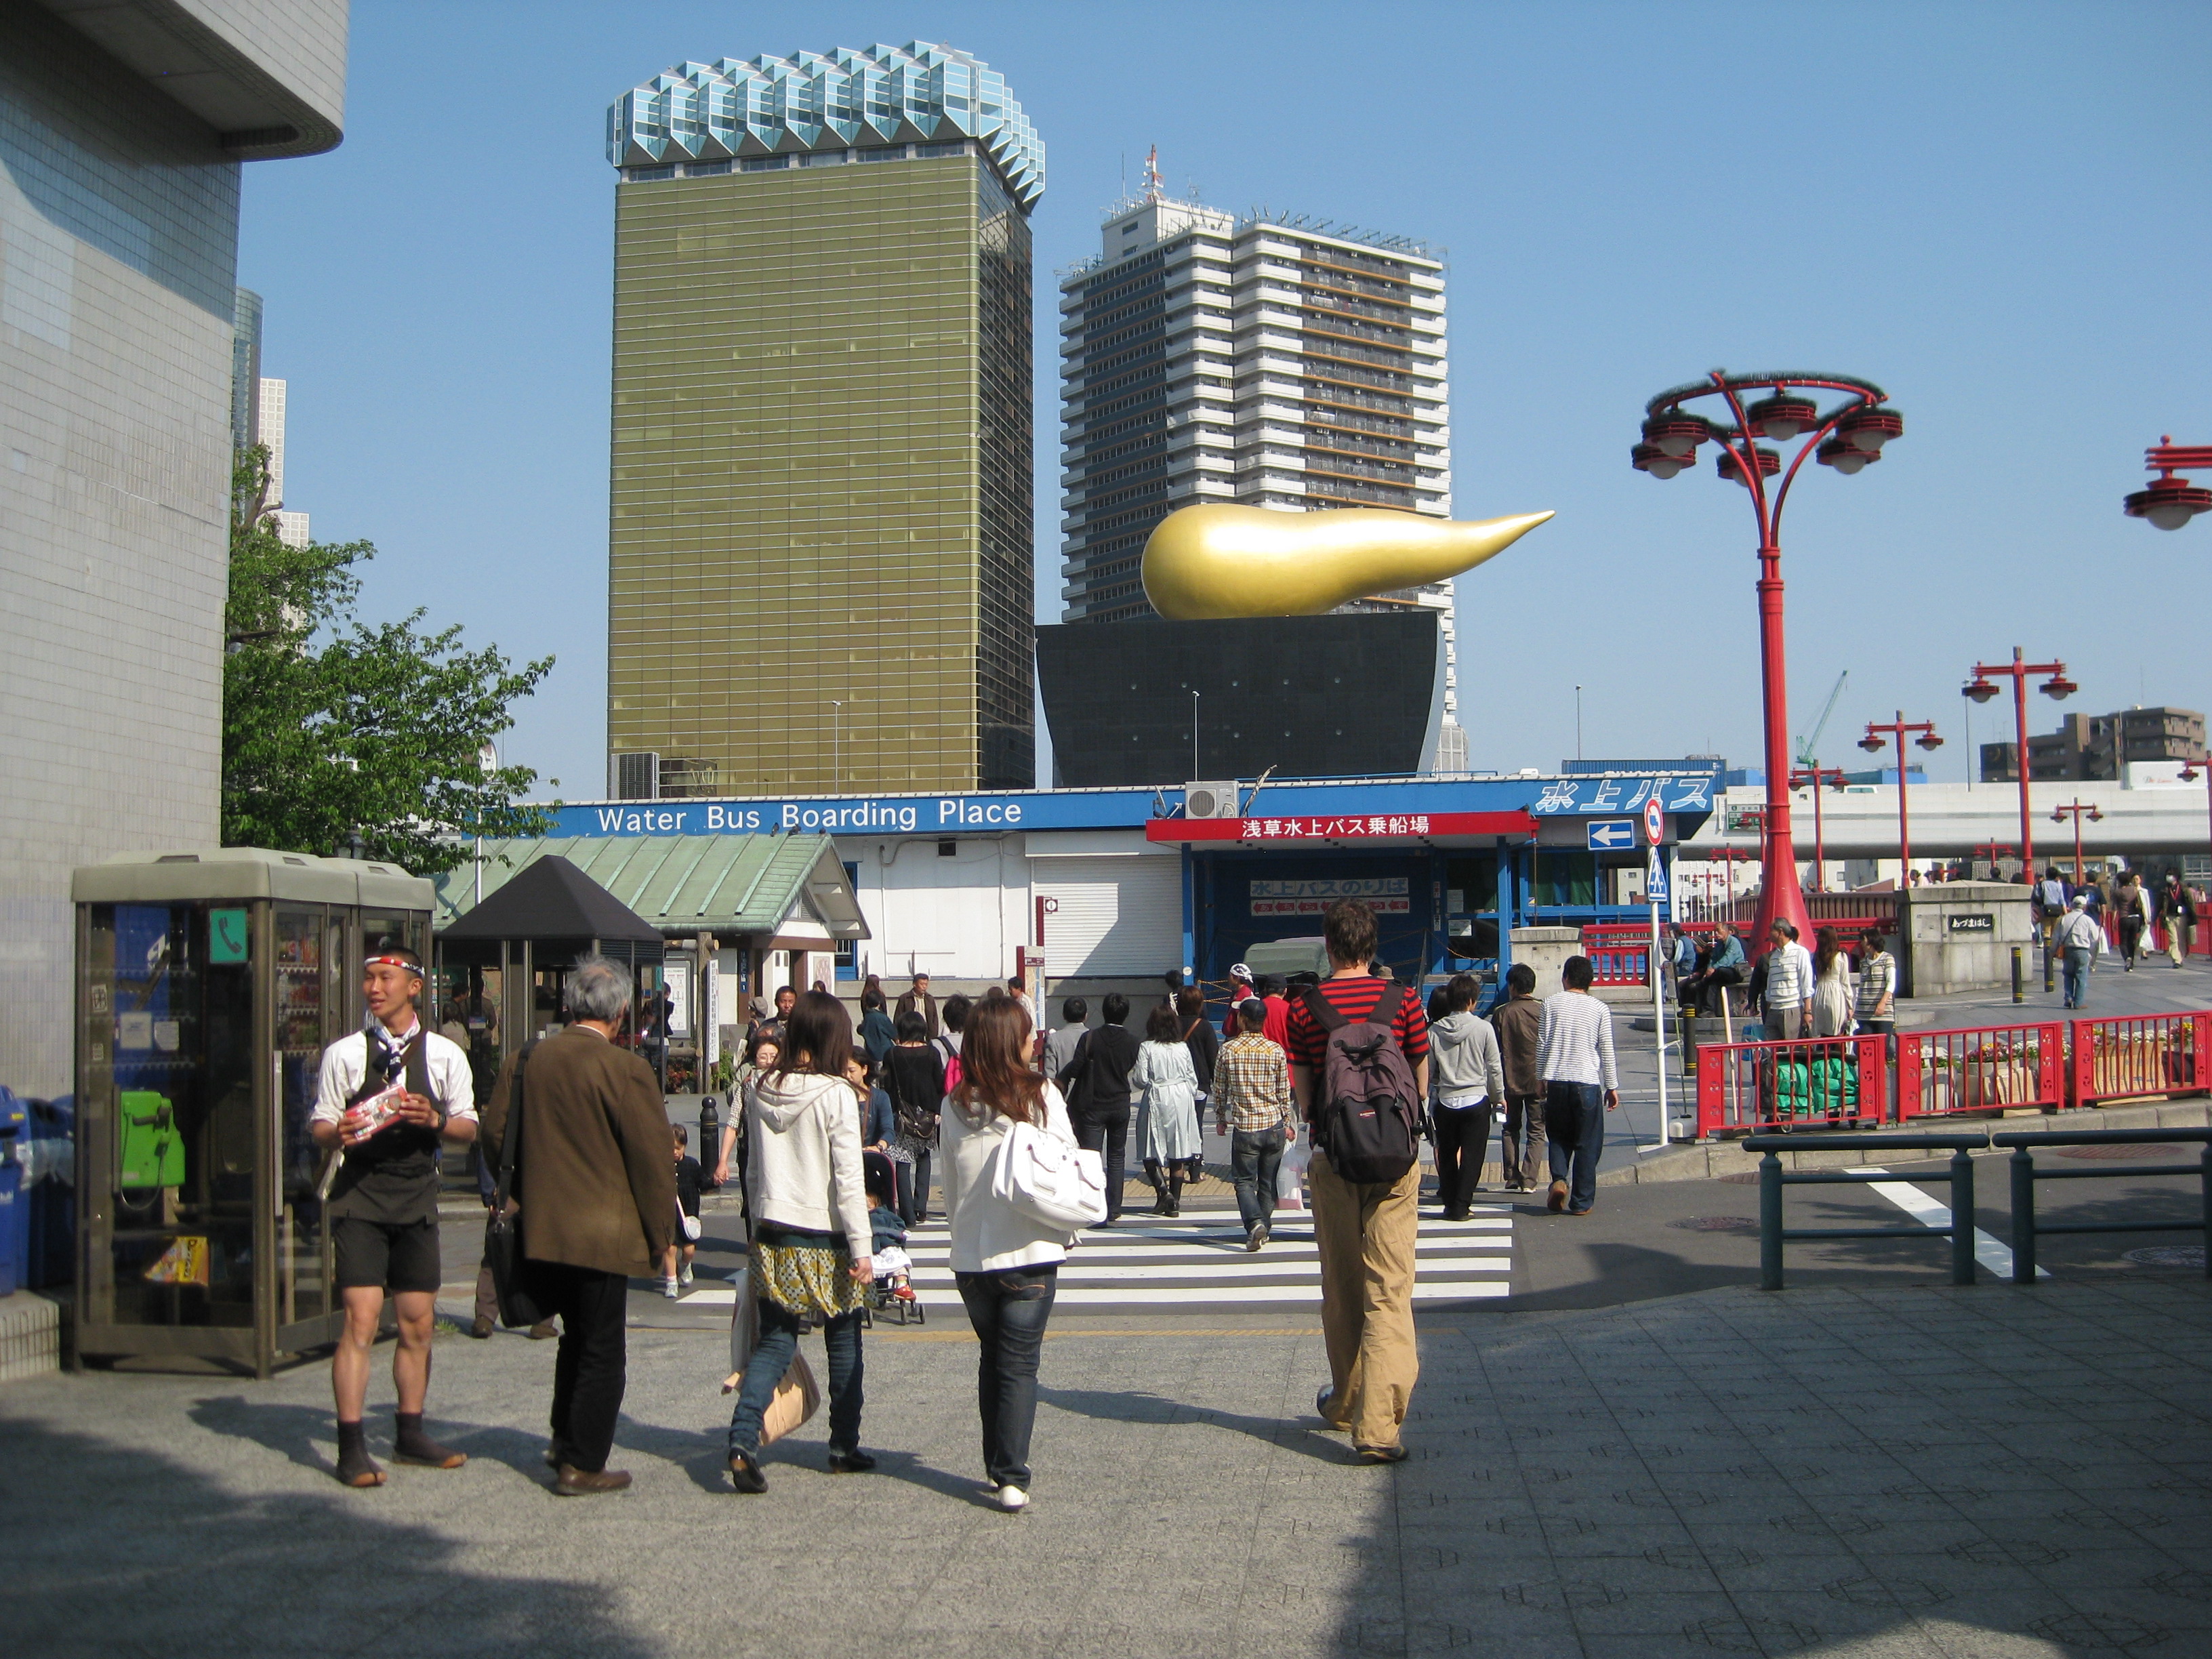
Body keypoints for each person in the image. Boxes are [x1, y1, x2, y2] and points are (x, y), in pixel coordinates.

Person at [480, 954, 675, 1496]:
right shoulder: (625, 1070)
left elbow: (494, 1135)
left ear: (569, 1005)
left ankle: (563, 1440)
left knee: (573, 1338)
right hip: (602, 1232)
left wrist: (527, 1187)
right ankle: (583, 1461)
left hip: (540, 1224)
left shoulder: (525, 1060)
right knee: (601, 1348)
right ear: (620, 1013)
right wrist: (662, 1233)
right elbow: (651, 1160)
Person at [311, 943, 480, 1488]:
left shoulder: (444, 1055)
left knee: (418, 1323)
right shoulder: (345, 1054)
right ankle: (351, 1446)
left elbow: (469, 1127)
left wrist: (434, 1120)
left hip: (416, 1196)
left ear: (415, 987)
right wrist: (338, 1132)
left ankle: (410, 1433)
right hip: (359, 1195)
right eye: (369, 979)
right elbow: (320, 1123)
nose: (375, 988)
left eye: (385, 978)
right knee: (360, 1320)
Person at [1288, 899, 1429, 1464]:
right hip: (1395, 1159)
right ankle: (1378, 1428)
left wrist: (1323, 1125)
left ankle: (1347, 1401)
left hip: (1334, 1158)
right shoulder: (1404, 1001)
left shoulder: (1306, 1008)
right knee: (1389, 1290)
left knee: (1344, 1287)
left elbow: (1304, 1091)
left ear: (1329, 946)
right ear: (1372, 946)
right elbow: (1419, 1074)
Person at [724, 989, 876, 1494]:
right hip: (827, 1234)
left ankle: (743, 1438)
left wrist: (754, 1230)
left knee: (776, 1340)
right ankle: (843, 1446)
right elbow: (848, 1179)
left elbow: (752, 1170)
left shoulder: (762, 1087)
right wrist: (863, 1248)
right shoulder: (837, 1094)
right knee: (844, 1337)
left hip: (773, 1230)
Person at [940, 996, 1075, 1512]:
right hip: (1031, 1248)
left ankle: (998, 1466)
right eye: (1027, 1033)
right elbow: (1065, 1162)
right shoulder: (1041, 1095)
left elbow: (951, 1185)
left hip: (974, 1256)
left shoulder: (955, 1104)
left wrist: (960, 1236)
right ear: (1013, 1041)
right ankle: (1012, 1476)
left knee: (992, 1357)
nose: (1034, 1040)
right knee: (1019, 1365)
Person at [1536, 954, 1617, 1217]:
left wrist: (1540, 1078)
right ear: (1590, 981)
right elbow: (1606, 1050)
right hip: (1586, 1082)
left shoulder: (1550, 1003)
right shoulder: (1599, 1008)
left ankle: (1559, 1180)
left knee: (1558, 1136)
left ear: (1566, 978)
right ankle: (1581, 1201)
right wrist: (1611, 1086)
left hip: (1557, 1080)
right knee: (1588, 1143)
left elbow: (1542, 1044)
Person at [1212, 998, 1292, 1248]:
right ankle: (1263, 1228)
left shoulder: (1229, 1050)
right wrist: (1287, 1121)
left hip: (1246, 1127)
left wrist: (1220, 1118)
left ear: (1243, 1019)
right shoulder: (1275, 1050)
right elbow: (1284, 1092)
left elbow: (1220, 1089)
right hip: (1274, 1125)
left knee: (1244, 1181)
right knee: (1268, 1183)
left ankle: (1255, 1223)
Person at [1428, 971, 1505, 1221]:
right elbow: (1494, 1067)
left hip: (1446, 1099)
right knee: (1473, 1156)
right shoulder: (1484, 1028)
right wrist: (1499, 1096)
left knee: (1447, 1154)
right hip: (1476, 1098)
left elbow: (1428, 1070)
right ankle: (1462, 1205)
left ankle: (1449, 1203)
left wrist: (1426, 1098)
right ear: (1472, 1001)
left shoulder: (1434, 1031)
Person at [1057, 992, 1141, 1225]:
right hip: (1120, 1102)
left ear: (1103, 1012)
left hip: (1093, 1104)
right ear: (1126, 1014)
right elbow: (1130, 1067)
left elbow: (1076, 1068)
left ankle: (1093, 1204)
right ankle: (1114, 1207)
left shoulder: (1091, 1038)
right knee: (1117, 1156)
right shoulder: (1133, 1042)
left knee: (1091, 1157)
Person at [1134, 1003, 1203, 1216]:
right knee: (1178, 1147)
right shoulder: (1182, 1047)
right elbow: (1192, 1077)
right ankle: (1175, 1200)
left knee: (1148, 1146)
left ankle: (1163, 1192)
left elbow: (1140, 1079)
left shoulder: (1147, 1047)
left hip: (1157, 1095)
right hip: (1181, 1096)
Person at [880, 1012, 947, 1225]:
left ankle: (907, 1213)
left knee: (902, 1162)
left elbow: (887, 1085)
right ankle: (921, 1208)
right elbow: (939, 1084)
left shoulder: (892, 1054)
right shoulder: (932, 1053)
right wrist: (937, 1111)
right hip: (926, 1114)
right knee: (924, 1158)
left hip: (901, 1115)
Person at [1489, 962, 1547, 1193]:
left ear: (1512, 986)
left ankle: (1511, 1175)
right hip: (1538, 1080)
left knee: (1510, 1128)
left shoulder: (1501, 1013)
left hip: (1509, 1080)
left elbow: (1493, 1050)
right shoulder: (1543, 1011)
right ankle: (1530, 1179)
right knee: (1537, 1131)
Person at [863, 1158, 914, 1303]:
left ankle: (902, 1285)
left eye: (869, 1205)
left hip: (887, 1245)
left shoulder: (883, 1213)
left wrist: (899, 1233)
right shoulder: (860, 1217)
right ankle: (868, 1290)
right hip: (869, 1248)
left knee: (899, 1259)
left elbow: (898, 1224)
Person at [662, 1124, 703, 1298]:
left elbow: (703, 1182)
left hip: (688, 1214)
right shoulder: (663, 1166)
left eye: (678, 1148)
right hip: (669, 1213)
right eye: (670, 1148)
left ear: (685, 1146)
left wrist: (715, 1180)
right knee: (670, 1248)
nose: (674, 1152)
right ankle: (671, 1282)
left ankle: (685, 1265)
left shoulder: (691, 1165)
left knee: (689, 1249)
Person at [2055, 893, 2106, 1008]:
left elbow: (2056, 937)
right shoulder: (2088, 920)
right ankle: (2079, 1002)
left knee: (2068, 974)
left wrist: (2052, 952)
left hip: (2068, 949)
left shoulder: (2064, 919)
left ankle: (2068, 997)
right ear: (2085, 907)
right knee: (2081, 976)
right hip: (2082, 950)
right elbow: (2095, 937)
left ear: (2072, 905)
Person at [1762, 922, 1811, 1040]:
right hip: (1773, 1008)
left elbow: (1806, 981)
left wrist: (1807, 1011)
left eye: (1771, 930)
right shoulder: (1774, 956)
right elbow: (1770, 983)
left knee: (1791, 1048)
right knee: (1771, 1048)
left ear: (1780, 932)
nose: (1769, 934)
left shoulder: (1800, 952)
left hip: (1791, 1007)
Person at [1854, 930, 1898, 1057]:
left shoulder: (1887, 959)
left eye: (1863, 940)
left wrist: (1882, 1003)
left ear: (1871, 941)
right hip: (1864, 1012)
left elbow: (1891, 983)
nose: (1861, 943)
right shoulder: (1863, 962)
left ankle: (1889, 1061)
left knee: (1882, 1047)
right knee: (1866, 1048)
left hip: (1883, 1012)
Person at [1177, 987, 1218, 1120]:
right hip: (1199, 1082)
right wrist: (1217, 1083)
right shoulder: (1205, 1026)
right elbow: (1212, 1057)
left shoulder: (1172, 1025)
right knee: (1196, 1123)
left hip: (1176, 1082)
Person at [1811, 927, 1853, 1038]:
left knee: (1822, 1034)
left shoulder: (1816, 957)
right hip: (1835, 994)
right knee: (1836, 1032)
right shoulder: (1841, 956)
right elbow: (1845, 982)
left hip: (1819, 994)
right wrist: (1850, 1005)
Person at [1043, 996, 1088, 1086]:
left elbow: (1049, 1077)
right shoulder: (1093, 1037)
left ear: (1064, 1015)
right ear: (1086, 1016)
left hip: (1061, 1092)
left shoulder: (1053, 1039)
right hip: (1087, 1092)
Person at [2115, 872, 2152, 970]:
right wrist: (2145, 918)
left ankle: (2127, 958)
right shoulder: (2135, 890)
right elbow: (2141, 904)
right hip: (2135, 918)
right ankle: (2131, 963)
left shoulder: (2117, 892)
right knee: (2132, 941)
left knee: (2123, 942)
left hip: (2124, 918)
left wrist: (2114, 920)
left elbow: (2115, 907)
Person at [857, 987, 897, 1069]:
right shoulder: (882, 1017)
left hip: (870, 1053)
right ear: (879, 1003)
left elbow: (861, 1030)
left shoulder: (867, 1017)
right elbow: (893, 1032)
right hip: (885, 1052)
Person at [2162, 874, 2195, 968]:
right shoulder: (2165, 890)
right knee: (2173, 939)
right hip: (2169, 916)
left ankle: (2180, 958)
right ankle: (2176, 960)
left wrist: (2193, 916)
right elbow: (2159, 903)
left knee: (2181, 939)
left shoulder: (2184, 889)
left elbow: (2191, 903)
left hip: (2182, 916)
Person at [896, 970, 941, 1038]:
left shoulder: (930, 999)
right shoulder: (905, 998)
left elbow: (934, 1019)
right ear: (914, 984)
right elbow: (898, 1017)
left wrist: (934, 1034)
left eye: (926, 984)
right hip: (910, 1033)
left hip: (926, 1034)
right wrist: (898, 1036)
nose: (924, 987)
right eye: (922, 984)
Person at [1257, 974, 1293, 1048]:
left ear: (1265, 989)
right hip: (1285, 1053)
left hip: (1260, 1052)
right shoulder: (1291, 1009)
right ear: (1285, 991)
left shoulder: (1256, 1007)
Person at [1223, 962, 1257, 1033]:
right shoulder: (1238, 993)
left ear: (1237, 978)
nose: (1228, 978)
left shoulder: (1245, 994)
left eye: (1230, 975)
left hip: (1238, 1036)